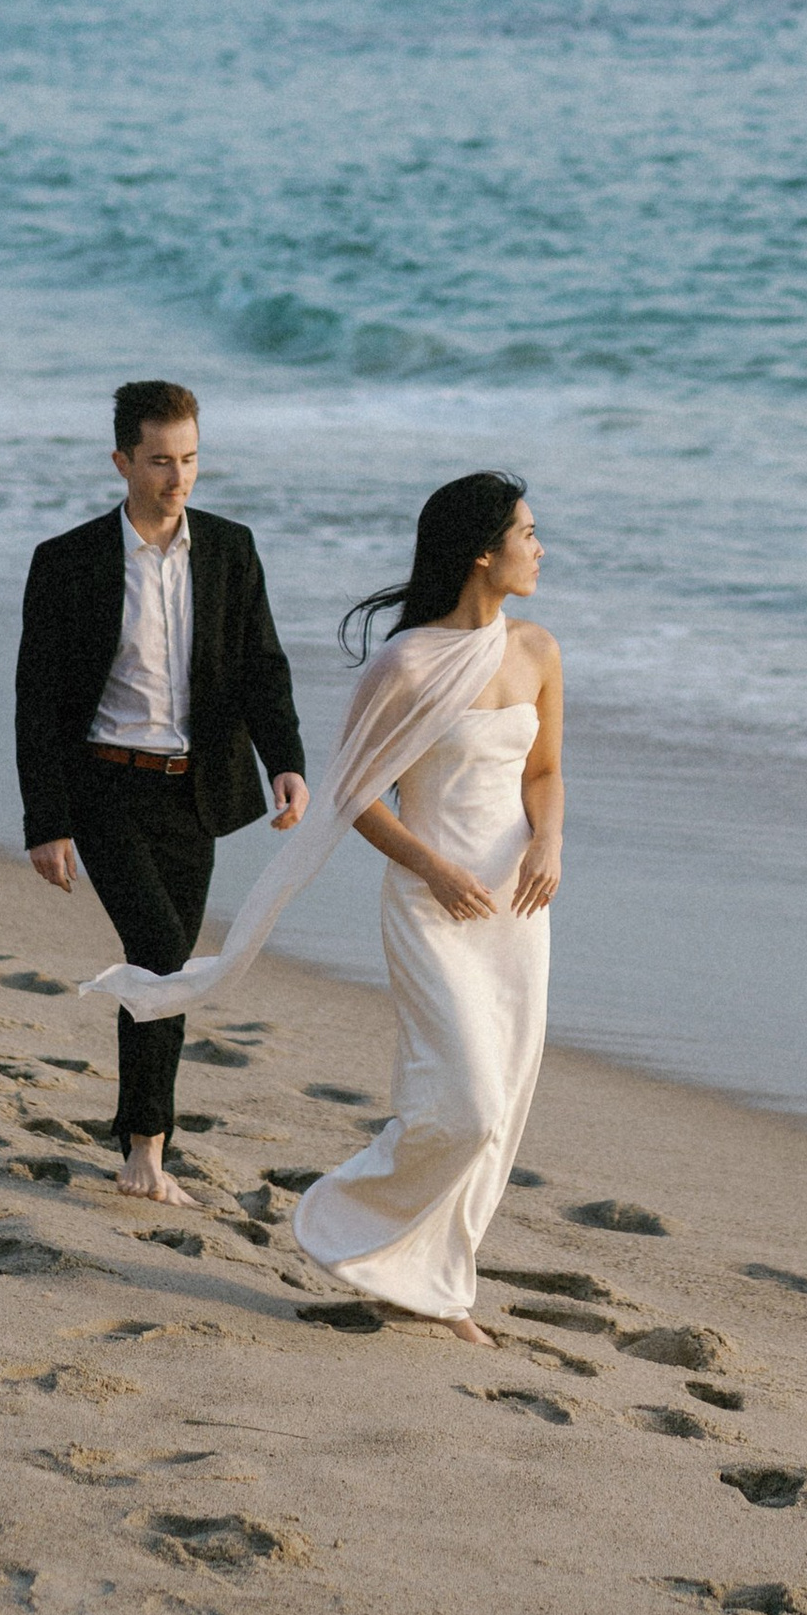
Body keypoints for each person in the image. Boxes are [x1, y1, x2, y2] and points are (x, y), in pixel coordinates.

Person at [14, 379, 308, 1202]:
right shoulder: (67, 562)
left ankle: (144, 1142)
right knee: (160, 953)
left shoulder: (230, 549)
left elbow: (262, 665)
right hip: (105, 787)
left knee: (167, 969)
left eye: (190, 460)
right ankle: (145, 1149)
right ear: (121, 462)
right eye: (159, 462)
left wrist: (285, 760)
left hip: (195, 794)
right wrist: (48, 820)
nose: (178, 479)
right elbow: (35, 701)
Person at [291, 472, 563, 1340]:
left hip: (518, 910)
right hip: (430, 906)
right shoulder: (405, 663)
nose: (539, 546)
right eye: (526, 532)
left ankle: (438, 1285)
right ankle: (348, 1219)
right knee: (465, 1103)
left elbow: (545, 772)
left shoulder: (537, 650)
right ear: (483, 551)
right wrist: (435, 868)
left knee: (502, 1107)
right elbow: (353, 794)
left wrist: (549, 842)